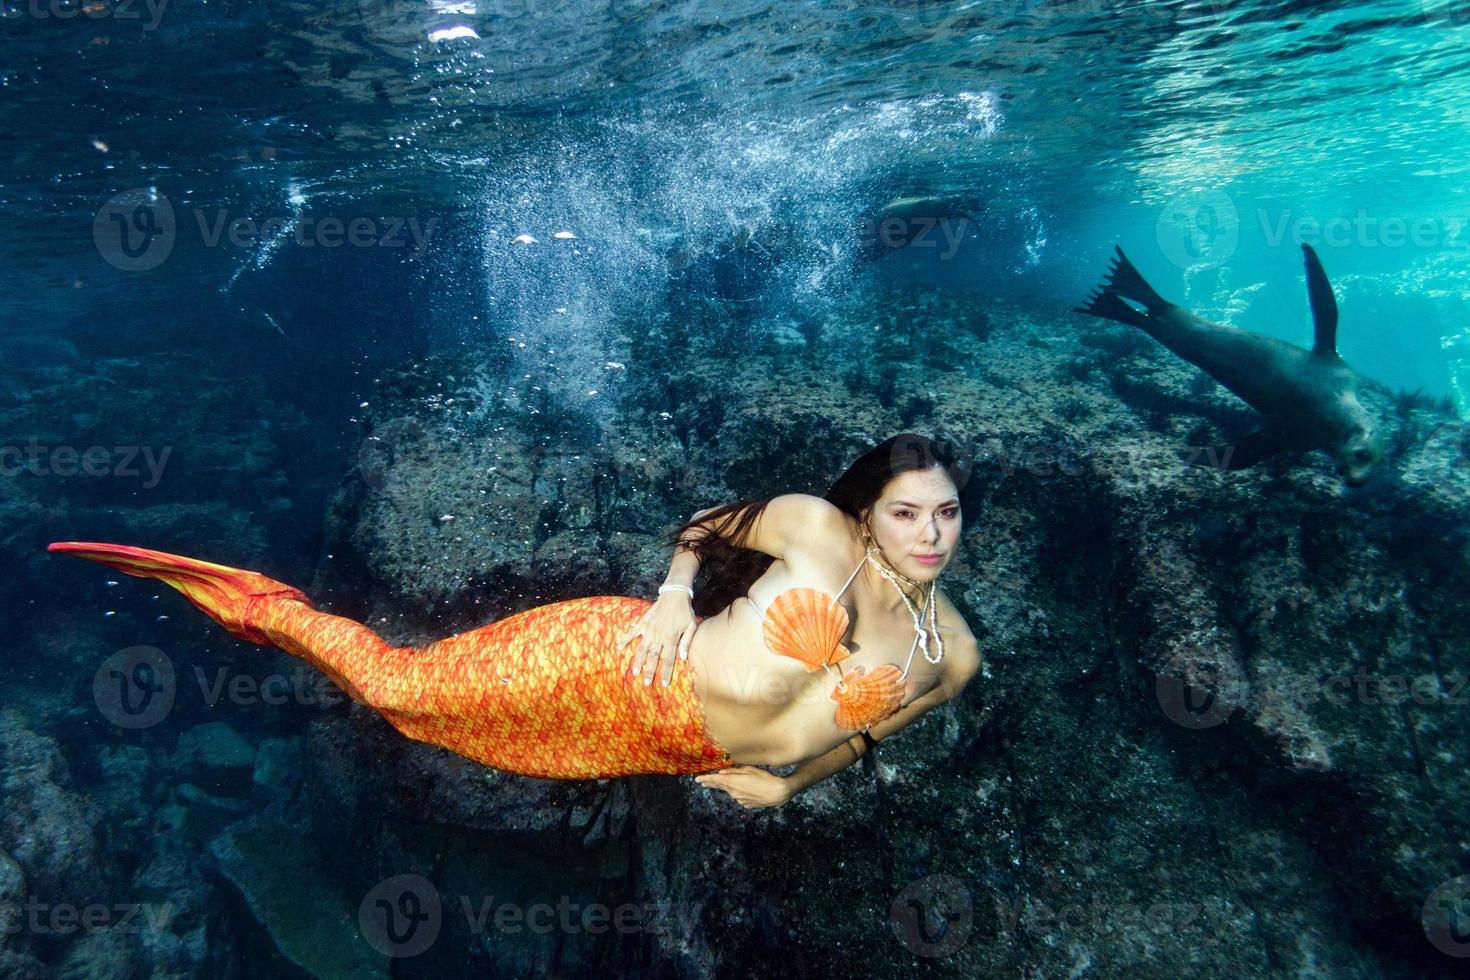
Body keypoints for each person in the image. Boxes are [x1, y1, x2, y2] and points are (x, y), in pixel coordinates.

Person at [49, 433, 980, 809]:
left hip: (658, 748)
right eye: (907, 512)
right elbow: (700, 530)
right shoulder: (817, 533)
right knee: (397, 691)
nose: (930, 533)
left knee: (426, 726)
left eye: (946, 512)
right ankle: (258, 604)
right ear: (867, 512)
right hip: (617, 667)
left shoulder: (953, 654)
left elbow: (873, 738)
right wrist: (667, 598)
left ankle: (264, 612)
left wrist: (788, 786)